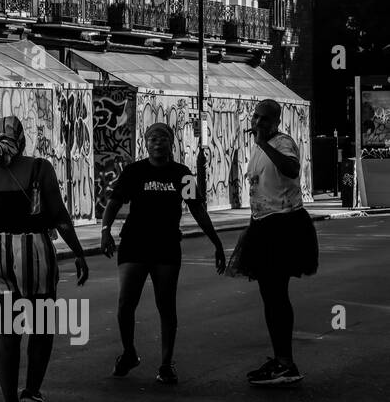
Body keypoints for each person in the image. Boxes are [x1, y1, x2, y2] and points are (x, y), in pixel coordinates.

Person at [0, 115, 88, 402]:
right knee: (41, 328)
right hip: (35, 254)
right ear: (21, 139)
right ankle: (32, 392)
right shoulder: (40, 168)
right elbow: (60, 216)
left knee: (7, 333)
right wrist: (79, 253)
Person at [100, 122, 226, 384]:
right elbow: (114, 202)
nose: (158, 143)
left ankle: (166, 364)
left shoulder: (183, 174)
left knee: (166, 305)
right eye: (152, 139)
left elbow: (198, 209)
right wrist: (105, 231)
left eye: (163, 139)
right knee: (126, 303)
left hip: (166, 246)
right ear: (146, 144)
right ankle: (129, 352)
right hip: (134, 243)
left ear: (171, 143)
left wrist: (216, 242)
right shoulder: (135, 171)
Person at [226, 99, 319, 386]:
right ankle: (281, 360)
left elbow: (291, 169)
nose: (258, 123)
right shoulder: (258, 147)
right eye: (256, 118)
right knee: (271, 295)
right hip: (264, 225)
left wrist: (265, 143)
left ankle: (286, 363)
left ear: (276, 121)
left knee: (276, 295)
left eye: (264, 119)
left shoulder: (282, 143)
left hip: (284, 226)